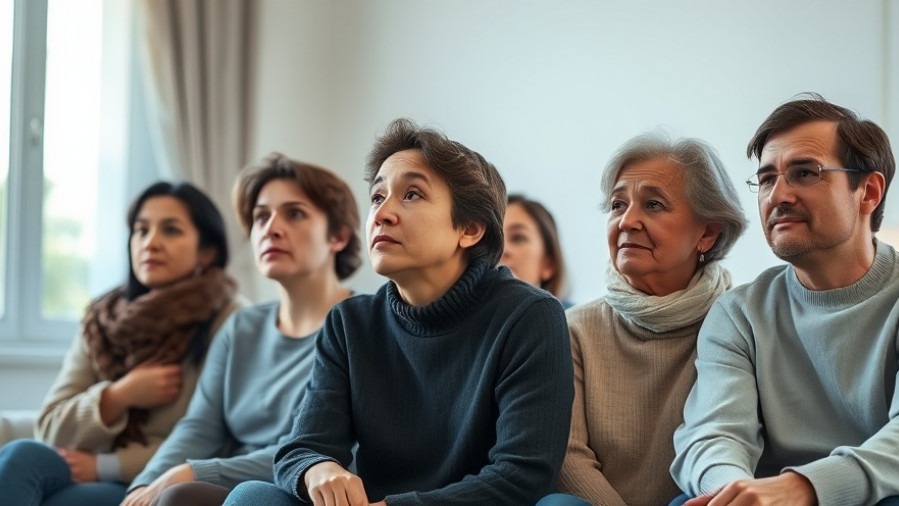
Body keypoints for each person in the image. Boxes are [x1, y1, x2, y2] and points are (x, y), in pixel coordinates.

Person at [225, 118, 574, 506]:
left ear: (470, 229)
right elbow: (300, 448)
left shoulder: (530, 315)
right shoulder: (349, 323)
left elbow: (523, 473)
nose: (382, 213)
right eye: (377, 197)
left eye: (411, 195)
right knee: (251, 496)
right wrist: (317, 468)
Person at [670, 94, 899, 506]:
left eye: (805, 173)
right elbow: (712, 434)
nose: (778, 195)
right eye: (767, 179)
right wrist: (735, 493)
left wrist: (806, 488)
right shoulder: (739, 314)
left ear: (868, 192)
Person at [120, 153, 362, 506]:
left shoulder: (361, 327)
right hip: (219, 485)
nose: (271, 228)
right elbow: (198, 428)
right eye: (261, 216)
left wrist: (191, 472)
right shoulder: (242, 326)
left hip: (294, 490)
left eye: (294, 214)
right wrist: (142, 487)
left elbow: (319, 448)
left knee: (179, 497)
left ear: (338, 236)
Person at [537, 133, 747, 506]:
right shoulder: (575, 328)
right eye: (618, 205)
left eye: (653, 205)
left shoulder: (740, 322)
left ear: (708, 232)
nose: (628, 220)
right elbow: (568, 457)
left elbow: (732, 446)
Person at [0, 181, 240, 506]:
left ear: (207, 252)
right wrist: (120, 394)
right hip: (76, 467)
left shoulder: (232, 319)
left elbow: (218, 440)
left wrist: (105, 466)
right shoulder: (103, 318)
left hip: (153, 483)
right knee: (20, 454)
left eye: (170, 230)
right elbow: (49, 427)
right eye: (141, 230)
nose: (150, 242)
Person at [501, 194, 572, 306]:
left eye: (517, 238)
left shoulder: (576, 321)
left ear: (548, 264)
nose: (501, 250)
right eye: (493, 239)